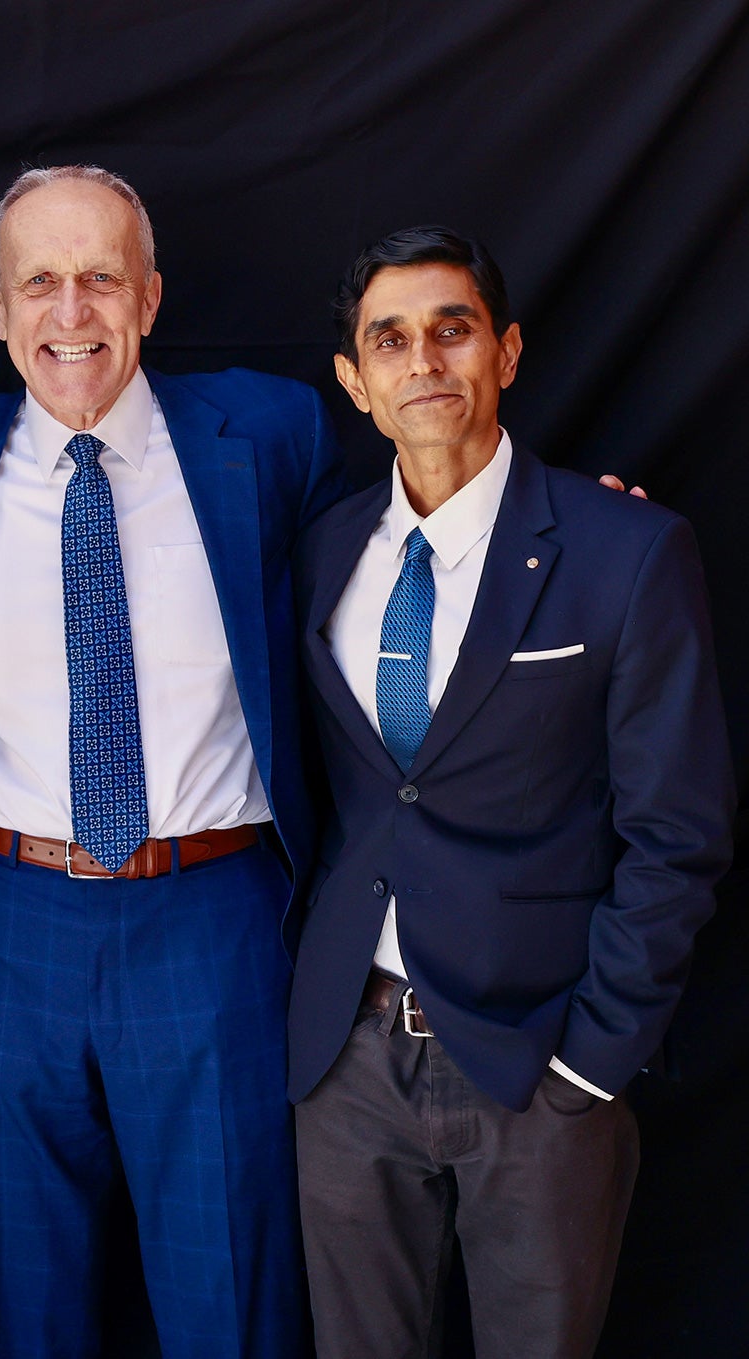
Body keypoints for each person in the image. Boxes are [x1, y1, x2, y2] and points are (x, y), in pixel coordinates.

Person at [0, 165, 341, 1357]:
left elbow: (407, 550)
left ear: (151, 296)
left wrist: (577, 533)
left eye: (99, 280)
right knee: (26, 1313)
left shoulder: (269, 437)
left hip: (211, 920)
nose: (70, 312)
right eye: (40, 283)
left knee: (233, 1302)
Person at [287, 225, 733, 1357]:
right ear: (355, 381)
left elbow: (677, 832)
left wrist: (592, 1060)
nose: (423, 359)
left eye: (453, 328)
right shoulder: (319, 551)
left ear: (509, 352)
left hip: (540, 1062)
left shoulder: (624, 549)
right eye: (389, 340)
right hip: (348, 1058)